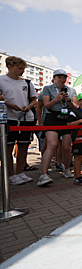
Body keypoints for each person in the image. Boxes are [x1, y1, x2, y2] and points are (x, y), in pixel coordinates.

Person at [0, 56, 38, 185]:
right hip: (7, 119)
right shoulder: (1, 80)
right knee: (8, 147)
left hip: (26, 119)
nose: (22, 71)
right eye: (19, 68)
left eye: (23, 68)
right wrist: (7, 104)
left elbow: (34, 99)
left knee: (23, 146)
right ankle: (11, 175)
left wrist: (29, 106)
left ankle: (19, 172)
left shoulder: (27, 82)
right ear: (9, 66)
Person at [38, 69, 78, 186]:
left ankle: (66, 169)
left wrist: (68, 100)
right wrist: (56, 99)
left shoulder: (71, 90)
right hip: (52, 118)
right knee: (52, 144)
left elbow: (75, 108)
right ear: (54, 78)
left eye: (64, 77)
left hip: (66, 118)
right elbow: (46, 106)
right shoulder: (47, 88)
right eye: (59, 77)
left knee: (66, 146)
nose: (62, 80)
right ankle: (43, 174)